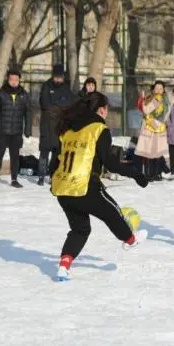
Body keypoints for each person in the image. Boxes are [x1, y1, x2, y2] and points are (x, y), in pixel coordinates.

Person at [49, 91, 149, 281]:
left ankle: (64, 265)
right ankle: (130, 240)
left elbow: (54, 163)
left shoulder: (68, 131)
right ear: (101, 109)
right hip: (84, 185)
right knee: (112, 211)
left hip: (62, 190)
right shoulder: (98, 129)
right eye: (106, 109)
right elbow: (111, 164)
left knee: (80, 229)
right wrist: (136, 174)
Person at [0, 69, 32, 188]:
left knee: (15, 156)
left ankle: (14, 179)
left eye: (16, 80)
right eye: (11, 79)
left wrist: (27, 129)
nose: (14, 82)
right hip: (2, 131)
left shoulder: (23, 94)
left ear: (19, 81)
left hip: (16, 132)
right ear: (8, 79)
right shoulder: (1, 93)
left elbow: (28, 112)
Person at [38, 64, 75, 186]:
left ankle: (52, 175)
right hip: (46, 125)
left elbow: (70, 104)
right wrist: (60, 106)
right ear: (53, 76)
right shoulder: (46, 86)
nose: (58, 79)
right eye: (56, 77)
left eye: (61, 77)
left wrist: (56, 106)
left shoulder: (66, 88)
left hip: (60, 126)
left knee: (57, 152)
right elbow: (45, 105)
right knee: (44, 151)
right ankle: (41, 176)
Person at [135, 80, 169, 181]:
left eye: (161, 88)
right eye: (157, 88)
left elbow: (145, 110)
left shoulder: (158, 99)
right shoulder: (161, 99)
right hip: (156, 127)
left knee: (151, 152)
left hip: (153, 127)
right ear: (153, 89)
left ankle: (151, 174)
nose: (158, 90)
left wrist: (142, 99)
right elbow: (146, 110)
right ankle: (155, 174)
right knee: (156, 152)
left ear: (163, 90)